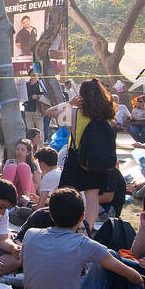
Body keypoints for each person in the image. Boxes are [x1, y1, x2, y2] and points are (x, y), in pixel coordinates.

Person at [20, 188, 145, 289]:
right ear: (82, 217)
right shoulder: (84, 244)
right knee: (112, 257)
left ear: (50, 214)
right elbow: (130, 275)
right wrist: (139, 279)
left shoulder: (31, 235)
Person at [58, 78, 118, 226]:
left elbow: (50, 112)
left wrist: (70, 103)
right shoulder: (108, 115)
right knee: (92, 197)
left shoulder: (75, 113)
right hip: (99, 160)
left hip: (77, 158)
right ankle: (88, 228)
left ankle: (67, 225)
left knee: (67, 194)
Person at [2, 139, 37, 205]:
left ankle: (26, 201)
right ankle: (4, 199)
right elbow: (3, 178)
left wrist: (23, 180)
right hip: (13, 190)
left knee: (23, 166)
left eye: (22, 150)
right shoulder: (9, 162)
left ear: (28, 152)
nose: (19, 152)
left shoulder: (34, 164)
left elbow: (38, 185)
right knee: (11, 167)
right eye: (17, 149)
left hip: (28, 192)